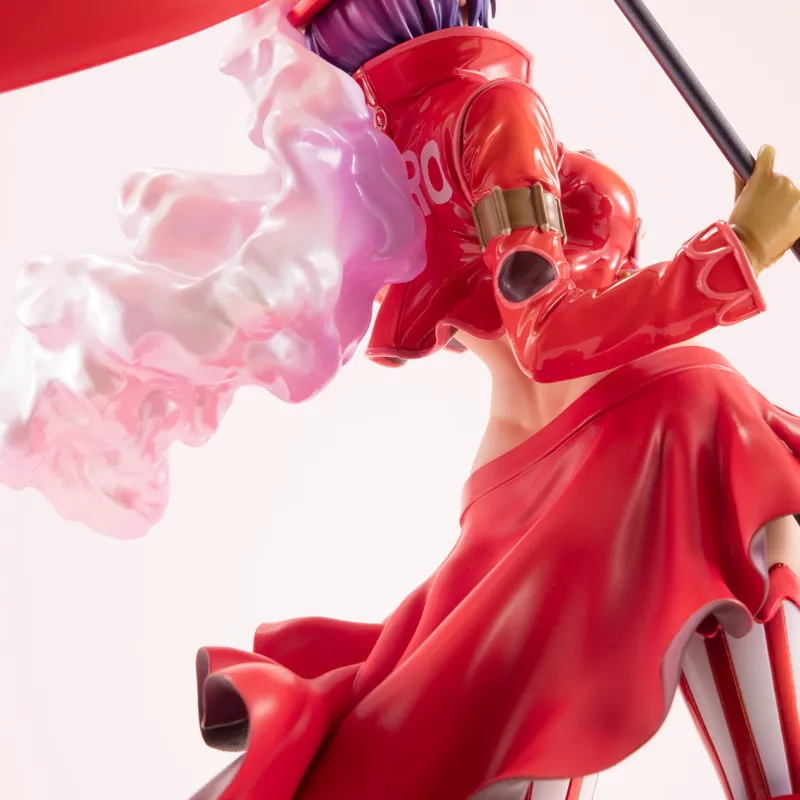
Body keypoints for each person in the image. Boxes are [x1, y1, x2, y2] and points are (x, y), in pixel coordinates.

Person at [3, 1, 800, 798]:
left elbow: (491, 314)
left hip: (517, 483)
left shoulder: (365, 152)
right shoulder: (493, 107)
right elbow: (548, 333)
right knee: (725, 732)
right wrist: (740, 249)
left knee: (480, 737)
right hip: (652, 422)